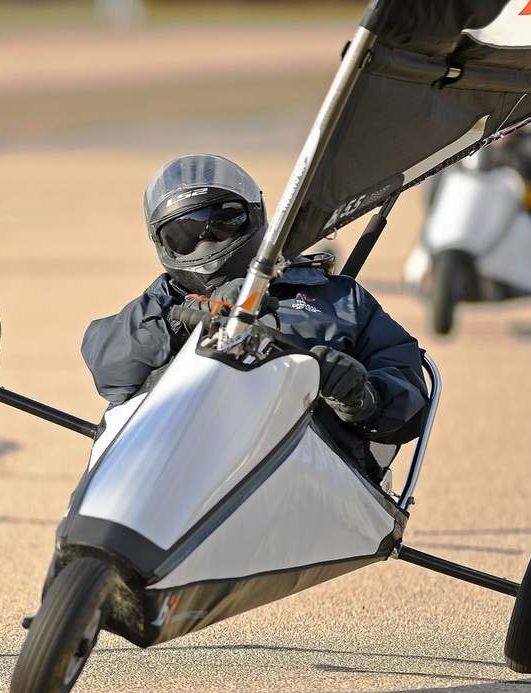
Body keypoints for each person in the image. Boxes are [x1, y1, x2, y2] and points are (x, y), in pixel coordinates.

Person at [81, 154, 428, 481]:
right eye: (183, 236)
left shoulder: (338, 298)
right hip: (181, 481)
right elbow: (108, 367)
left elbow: (410, 402)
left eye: (222, 223)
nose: (205, 242)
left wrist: (361, 397)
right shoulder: (163, 301)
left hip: (302, 481)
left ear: (256, 215)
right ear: (162, 245)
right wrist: (177, 321)